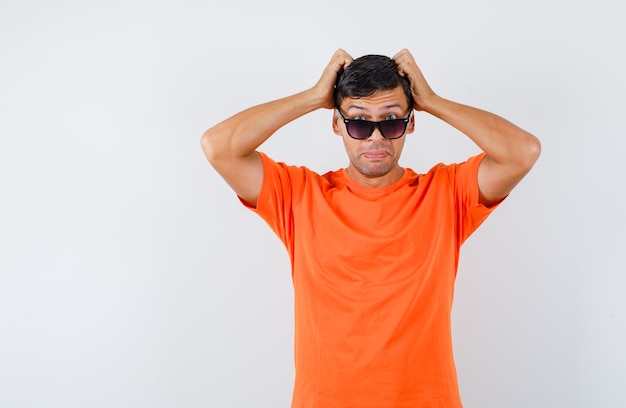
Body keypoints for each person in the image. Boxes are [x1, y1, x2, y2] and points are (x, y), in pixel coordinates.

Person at [201, 48, 540, 408]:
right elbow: (218, 146)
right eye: (360, 123)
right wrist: (313, 97)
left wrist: (433, 102)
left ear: (410, 123)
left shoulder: (445, 194)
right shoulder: (301, 197)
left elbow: (523, 152)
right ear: (337, 124)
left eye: (391, 121)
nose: (376, 138)